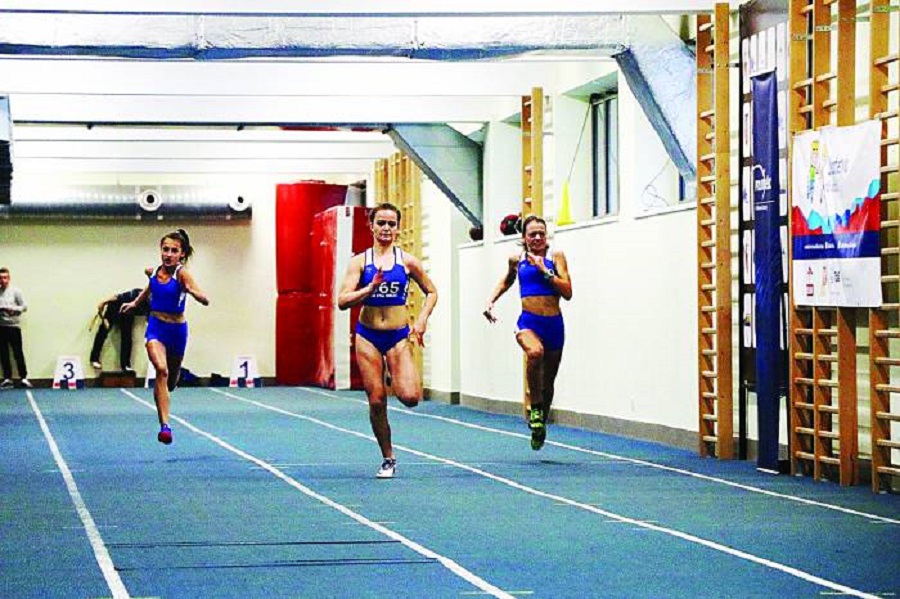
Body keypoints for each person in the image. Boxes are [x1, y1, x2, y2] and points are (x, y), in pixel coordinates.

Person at [338, 202, 438, 479]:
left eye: (391, 224)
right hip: (368, 336)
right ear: (371, 226)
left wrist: (422, 320)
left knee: (410, 398)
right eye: (380, 223)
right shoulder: (360, 262)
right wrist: (368, 289)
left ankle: (396, 370)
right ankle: (388, 457)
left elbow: (432, 292)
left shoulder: (407, 262)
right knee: (376, 400)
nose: (385, 228)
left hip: (397, 336)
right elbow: (342, 301)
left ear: (398, 228)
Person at [483, 215, 572, 450]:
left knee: (548, 382)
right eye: (532, 234)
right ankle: (534, 408)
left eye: (542, 233)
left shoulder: (556, 257)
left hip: (553, 325)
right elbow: (507, 281)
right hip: (528, 323)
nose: (538, 237)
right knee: (535, 352)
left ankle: (540, 423)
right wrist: (490, 301)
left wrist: (545, 271)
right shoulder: (517, 259)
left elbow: (568, 292)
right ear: (524, 237)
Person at [122, 230, 209, 445]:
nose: (168, 254)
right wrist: (134, 304)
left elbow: (201, 295)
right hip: (156, 327)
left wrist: (194, 293)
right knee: (161, 370)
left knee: (171, 382)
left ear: (182, 254)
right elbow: (149, 289)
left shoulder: (182, 274)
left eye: (174, 251)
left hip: (177, 331)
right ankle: (165, 426)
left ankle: (168, 388)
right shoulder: (153, 272)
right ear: (160, 250)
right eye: (165, 249)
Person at [90, 287, 149, 372]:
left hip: (128, 314)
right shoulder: (136, 294)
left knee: (127, 338)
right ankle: (94, 359)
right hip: (114, 308)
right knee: (103, 332)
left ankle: (125, 365)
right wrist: (103, 303)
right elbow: (116, 297)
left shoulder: (153, 306)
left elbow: (150, 319)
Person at [0, 267, 31, 389]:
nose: (3, 280)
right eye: (1, 278)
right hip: (1, 327)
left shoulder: (15, 291)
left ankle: (23, 378)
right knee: (3, 353)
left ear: (9, 278)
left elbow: (24, 306)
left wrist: (13, 309)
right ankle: (7, 379)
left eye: (5, 277)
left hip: (14, 327)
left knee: (18, 353)